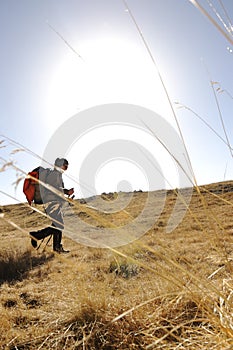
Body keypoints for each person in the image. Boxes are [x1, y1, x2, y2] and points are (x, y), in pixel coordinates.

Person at [29, 158, 74, 253]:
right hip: (51, 203)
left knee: (57, 225)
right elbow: (54, 189)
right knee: (59, 225)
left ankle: (57, 247)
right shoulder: (54, 175)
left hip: (53, 202)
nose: (66, 168)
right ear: (60, 165)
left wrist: (66, 194)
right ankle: (37, 236)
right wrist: (66, 191)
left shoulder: (57, 175)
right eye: (65, 166)